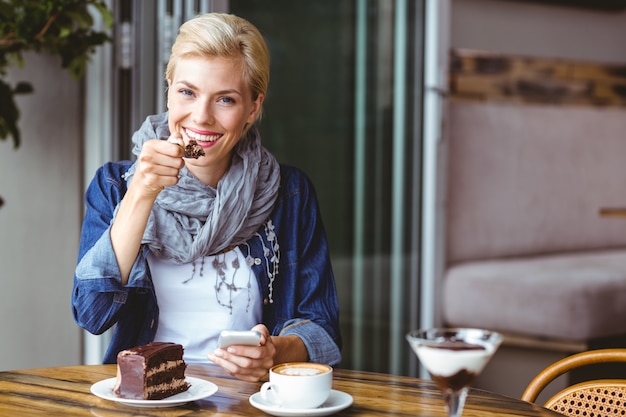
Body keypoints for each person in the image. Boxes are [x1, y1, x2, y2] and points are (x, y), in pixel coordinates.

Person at [72, 12, 341, 382]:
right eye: (187, 92)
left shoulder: (289, 194)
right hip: (148, 401)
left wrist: (276, 352)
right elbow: (92, 313)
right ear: (169, 88)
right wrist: (141, 194)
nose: (201, 117)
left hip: (252, 401)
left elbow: (323, 329)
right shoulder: (115, 186)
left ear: (253, 108)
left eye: (225, 100)